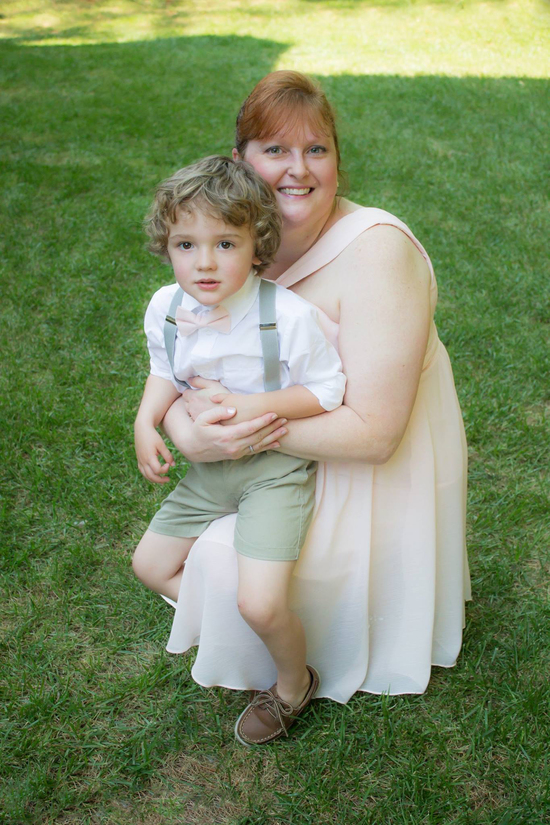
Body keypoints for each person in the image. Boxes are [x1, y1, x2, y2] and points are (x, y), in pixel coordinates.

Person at [148, 71, 470, 708]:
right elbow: (193, 363)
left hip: (367, 472)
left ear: (336, 162)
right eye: (276, 150)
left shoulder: (378, 252)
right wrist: (187, 430)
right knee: (176, 563)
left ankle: (296, 664)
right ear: (240, 162)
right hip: (277, 458)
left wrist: (233, 437)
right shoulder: (238, 244)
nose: (298, 170)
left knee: (231, 572)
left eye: (316, 149)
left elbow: (377, 434)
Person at [133, 155, 346, 744]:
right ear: (166, 246)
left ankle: (291, 683)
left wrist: (249, 406)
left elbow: (330, 390)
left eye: (225, 243)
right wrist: (145, 422)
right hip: (209, 469)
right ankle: (233, 635)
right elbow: (163, 370)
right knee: (149, 566)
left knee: (261, 604)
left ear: (258, 246)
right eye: (185, 244)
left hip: (273, 471)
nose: (203, 262)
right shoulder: (167, 308)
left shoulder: (288, 317)